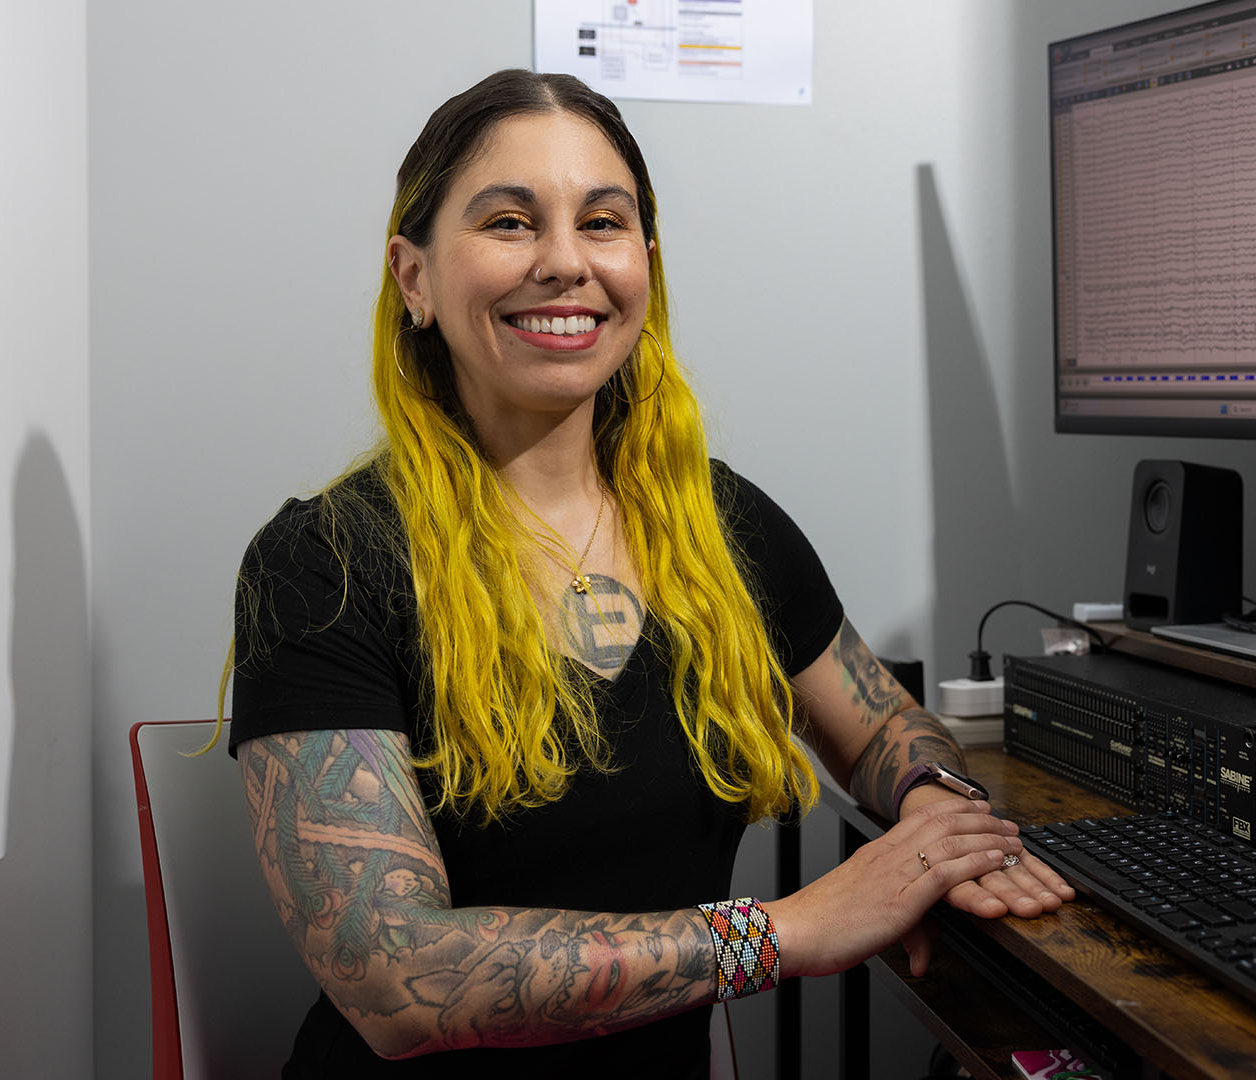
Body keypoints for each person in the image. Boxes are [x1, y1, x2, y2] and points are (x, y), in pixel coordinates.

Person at [226, 68, 1073, 1078]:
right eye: (508, 222)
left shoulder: (719, 525)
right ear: (413, 277)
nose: (564, 262)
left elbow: (885, 726)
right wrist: (791, 929)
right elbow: (390, 978)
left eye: (603, 222)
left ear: (645, 266)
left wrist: (934, 816)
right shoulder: (322, 565)